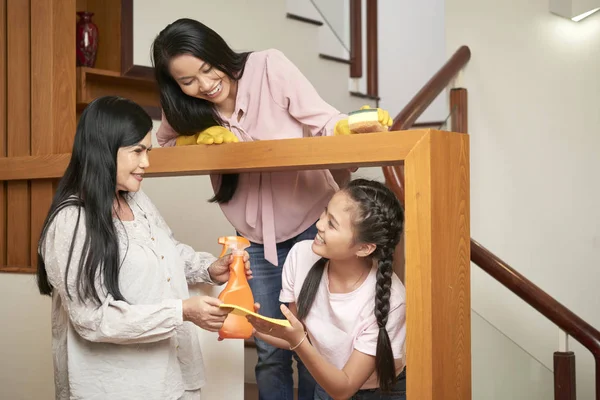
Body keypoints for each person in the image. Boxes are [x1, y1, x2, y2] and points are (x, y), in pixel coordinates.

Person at [151, 18, 393, 400]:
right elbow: (161, 149)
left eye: (207, 68)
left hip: (314, 231)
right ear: (176, 85)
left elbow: (324, 121)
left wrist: (350, 128)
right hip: (256, 241)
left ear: (218, 53)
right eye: (187, 80)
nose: (204, 83)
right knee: (267, 346)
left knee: (315, 342)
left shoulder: (268, 67)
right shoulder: (185, 107)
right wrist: (197, 138)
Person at [36, 95, 251, 400]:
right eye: (137, 151)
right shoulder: (72, 222)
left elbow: (167, 250)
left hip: (171, 375)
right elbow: (94, 320)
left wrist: (208, 268)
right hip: (118, 386)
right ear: (104, 150)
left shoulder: (134, 199)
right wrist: (182, 311)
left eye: (147, 151)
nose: (146, 163)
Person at [248, 179, 406, 400]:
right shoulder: (301, 255)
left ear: (364, 248)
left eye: (332, 224)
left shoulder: (392, 300)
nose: (320, 224)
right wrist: (248, 324)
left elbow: (345, 387)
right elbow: (293, 332)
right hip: (328, 381)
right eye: (324, 213)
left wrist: (299, 340)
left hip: (380, 391)